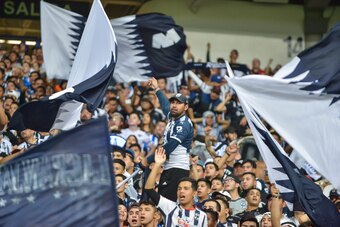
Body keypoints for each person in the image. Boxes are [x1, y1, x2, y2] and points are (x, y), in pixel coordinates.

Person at [148, 77, 194, 202]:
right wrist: (157, 89)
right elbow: (164, 106)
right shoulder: (174, 118)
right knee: (162, 202)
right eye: (173, 102)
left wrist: (148, 160)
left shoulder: (183, 124)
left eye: (178, 103)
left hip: (177, 169)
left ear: (185, 107)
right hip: (170, 167)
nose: (174, 105)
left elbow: (170, 146)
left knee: (166, 203)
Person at [145, 148, 207, 226]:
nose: (181, 191)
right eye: (179, 188)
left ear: (194, 193)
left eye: (186, 188)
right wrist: (157, 164)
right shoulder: (170, 207)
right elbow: (149, 189)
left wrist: (193, 166)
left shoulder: (202, 216)